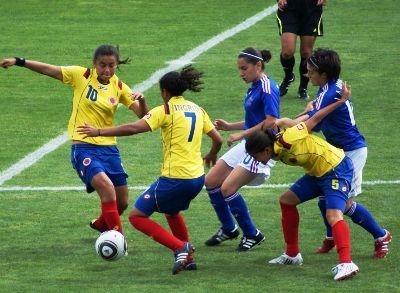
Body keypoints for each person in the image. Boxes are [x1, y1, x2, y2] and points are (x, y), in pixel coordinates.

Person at [78, 65, 223, 275]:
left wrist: (99, 131)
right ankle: (188, 259)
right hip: (197, 178)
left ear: (164, 92)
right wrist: (211, 154)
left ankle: (180, 247)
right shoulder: (197, 109)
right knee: (171, 211)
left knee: (137, 216)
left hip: (175, 178)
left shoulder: (164, 110)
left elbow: (134, 128)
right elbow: (217, 139)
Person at [0, 45, 149, 234]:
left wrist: (142, 100)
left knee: (122, 202)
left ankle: (103, 224)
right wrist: (19, 61)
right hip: (84, 147)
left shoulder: (119, 86)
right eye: (102, 65)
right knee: (107, 189)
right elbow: (49, 70)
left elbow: (145, 118)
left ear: (116, 65)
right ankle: (117, 239)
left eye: (111, 65)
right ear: (94, 63)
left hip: (109, 149)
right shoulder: (82, 76)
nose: (107, 70)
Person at [278, 48, 391, 259]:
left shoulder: (330, 93)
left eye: (311, 71)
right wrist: (306, 112)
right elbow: (314, 118)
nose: (307, 74)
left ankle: (380, 235)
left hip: (351, 153)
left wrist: (286, 122)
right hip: (336, 151)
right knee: (325, 195)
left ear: (324, 74)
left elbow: (308, 124)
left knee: (343, 203)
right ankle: (331, 237)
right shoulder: (329, 88)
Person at [246, 81, 360, 281]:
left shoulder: (286, 141)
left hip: (336, 168)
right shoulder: (274, 147)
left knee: (334, 215)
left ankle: (347, 263)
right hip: (317, 172)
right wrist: (304, 111)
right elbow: (297, 121)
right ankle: (292, 255)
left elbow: (315, 119)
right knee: (286, 200)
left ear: (266, 150)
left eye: (256, 156)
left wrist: (340, 101)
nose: (255, 161)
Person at [204, 47, 280, 251]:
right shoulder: (254, 85)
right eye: (239, 69)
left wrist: (242, 135)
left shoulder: (266, 87)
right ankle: (229, 228)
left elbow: (271, 122)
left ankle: (252, 234)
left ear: (258, 65)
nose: (241, 73)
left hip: (261, 147)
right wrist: (231, 127)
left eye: (244, 68)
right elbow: (254, 120)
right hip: (249, 143)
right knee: (211, 181)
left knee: (227, 188)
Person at [276, 0, 327, 100]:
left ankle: (303, 87)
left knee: (306, 52)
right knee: (287, 52)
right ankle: (288, 77)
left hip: (311, 8)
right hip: (289, 8)